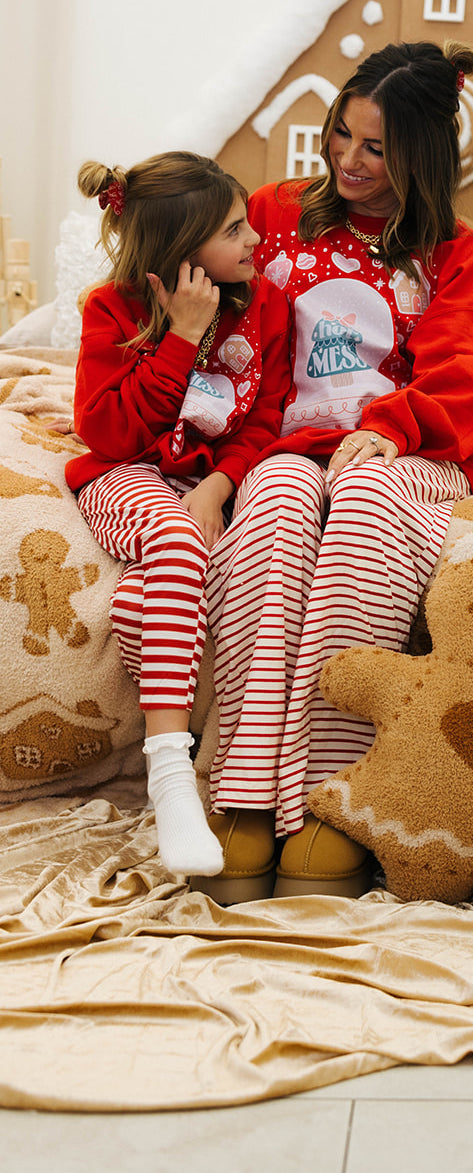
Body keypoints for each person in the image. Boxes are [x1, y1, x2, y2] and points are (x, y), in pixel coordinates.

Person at [199, 39, 473, 903]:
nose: (347, 160)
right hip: (287, 441)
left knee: (365, 498)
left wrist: (390, 426)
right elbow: (197, 293)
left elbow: (467, 373)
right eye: (341, 135)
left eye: (375, 148)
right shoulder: (268, 215)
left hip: (410, 449)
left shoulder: (451, 253)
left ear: (420, 157)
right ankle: (248, 790)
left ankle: (333, 799)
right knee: (279, 500)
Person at [67, 152, 292, 879]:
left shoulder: (268, 307)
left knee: (192, 569)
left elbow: (266, 421)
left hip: (203, 482)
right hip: (123, 475)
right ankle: (171, 773)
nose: (256, 239)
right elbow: (108, 435)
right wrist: (181, 338)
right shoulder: (112, 309)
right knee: (171, 538)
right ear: (183, 254)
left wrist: (219, 486)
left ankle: (143, 604)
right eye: (234, 230)